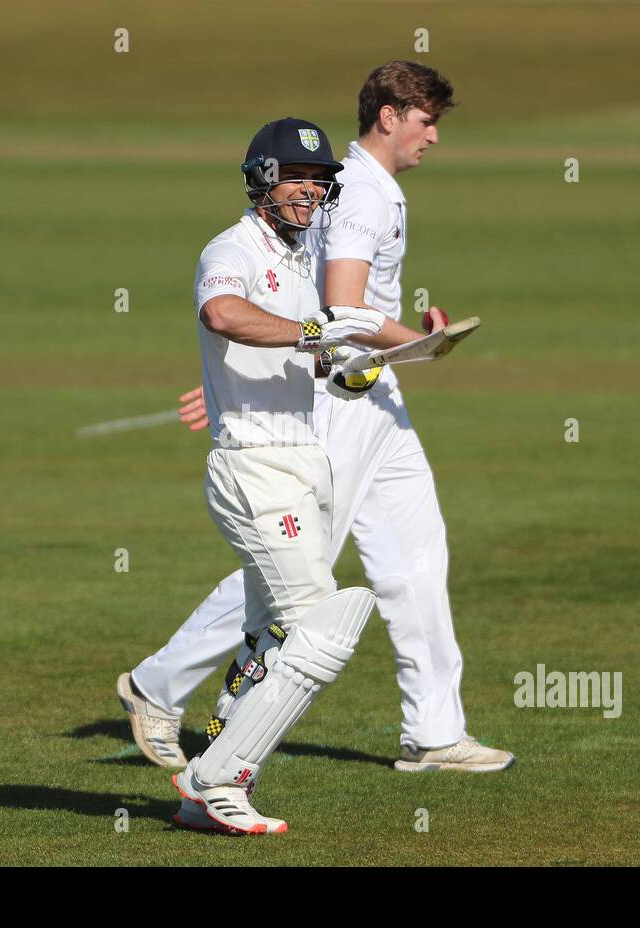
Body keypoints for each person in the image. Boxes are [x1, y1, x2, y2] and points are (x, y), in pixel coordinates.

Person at [119, 61, 516, 776]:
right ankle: (165, 688)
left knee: (418, 559)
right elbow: (334, 310)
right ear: (389, 114)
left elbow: (313, 309)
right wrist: (385, 348)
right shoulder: (363, 192)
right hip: (344, 403)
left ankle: (433, 731)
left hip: (372, 392)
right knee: (296, 582)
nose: (433, 137)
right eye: (427, 120)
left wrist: (415, 344)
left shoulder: (353, 187)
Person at [167, 115, 388, 834]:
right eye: (297, 179)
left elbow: (316, 360)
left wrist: (347, 366)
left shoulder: (299, 265)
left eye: (321, 183)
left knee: (268, 640)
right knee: (323, 628)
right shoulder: (232, 249)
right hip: (254, 464)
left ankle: (214, 770)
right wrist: (314, 331)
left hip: (302, 460)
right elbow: (222, 312)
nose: (310, 193)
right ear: (262, 179)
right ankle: (215, 780)